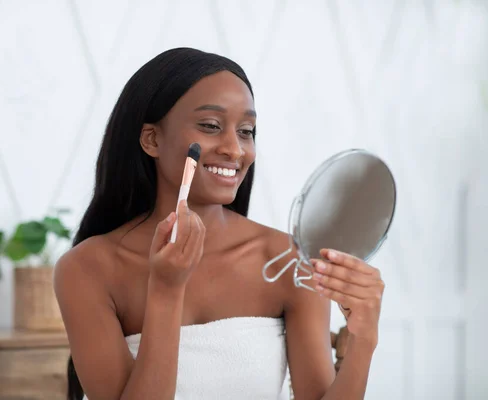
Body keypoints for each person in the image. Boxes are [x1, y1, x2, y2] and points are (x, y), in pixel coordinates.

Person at [54, 47, 385, 400]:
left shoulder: (287, 260)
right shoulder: (86, 270)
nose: (235, 149)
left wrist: (364, 338)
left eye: (246, 131)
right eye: (211, 126)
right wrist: (166, 292)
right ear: (152, 139)